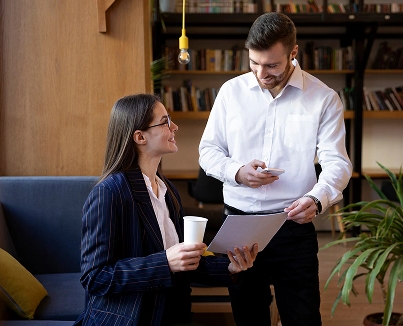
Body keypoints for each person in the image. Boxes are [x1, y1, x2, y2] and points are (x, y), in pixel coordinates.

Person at [198, 12, 352, 326]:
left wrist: (318, 199)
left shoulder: (324, 99)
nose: (260, 73)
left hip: (292, 226)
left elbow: (337, 163)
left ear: (293, 54)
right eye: (254, 63)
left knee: (303, 317)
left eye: (271, 65)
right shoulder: (231, 92)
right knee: (249, 316)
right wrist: (238, 171)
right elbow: (208, 151)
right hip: (240, 225)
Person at [74, 94, 258, 326]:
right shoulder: (110, 193)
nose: (175, 126)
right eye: (165, 121)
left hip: (172, 314)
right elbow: (95, 277)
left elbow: (184, 261)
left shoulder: (166, 190)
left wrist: (230, 267)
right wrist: (165, 262)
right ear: (140, 137)